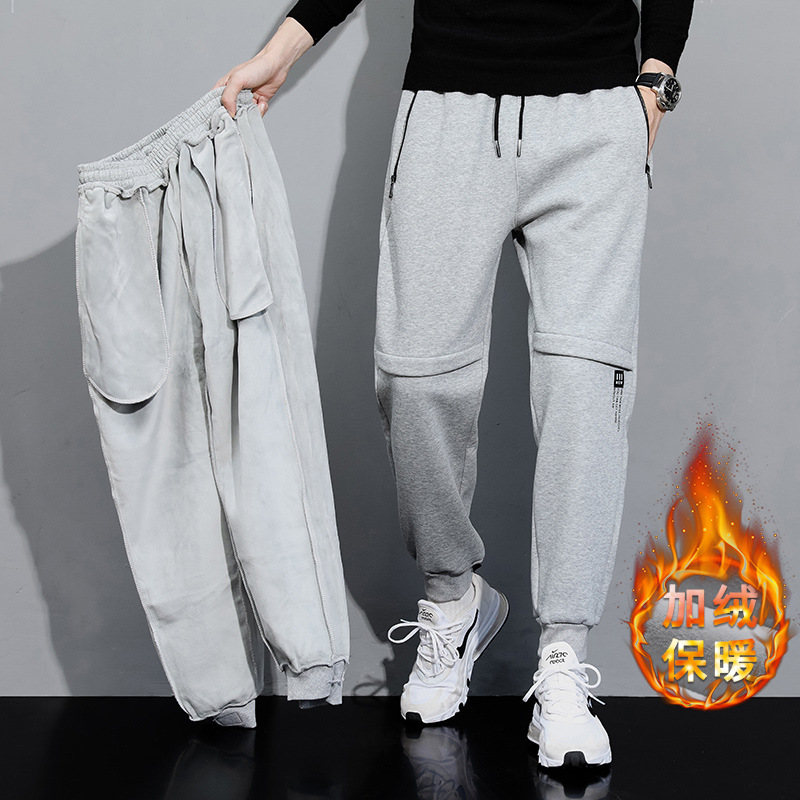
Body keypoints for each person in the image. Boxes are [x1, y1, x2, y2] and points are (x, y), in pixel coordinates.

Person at [215, 0, 693, 768]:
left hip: (596, 120)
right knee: (414, 378)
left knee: (586, 389)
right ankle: (453, 599)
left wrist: (656, 81)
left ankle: (564, 656)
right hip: (446, 113)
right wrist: (283, 51)